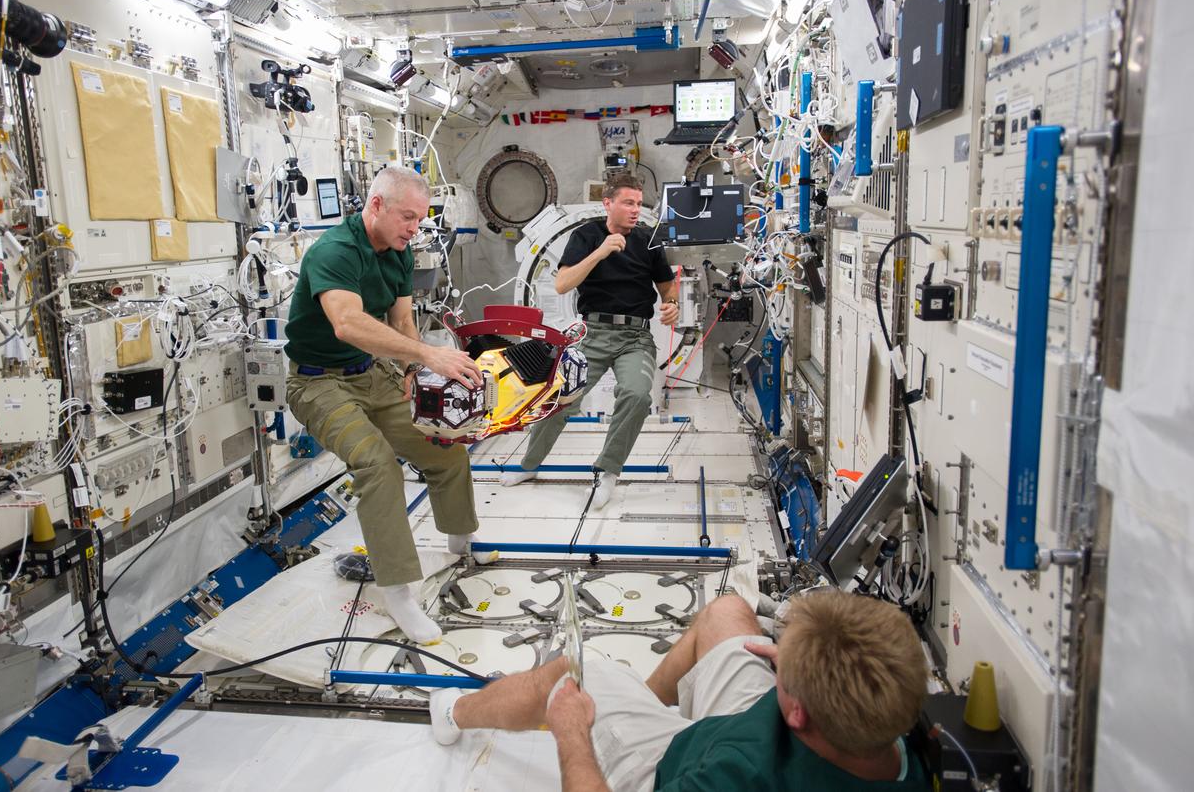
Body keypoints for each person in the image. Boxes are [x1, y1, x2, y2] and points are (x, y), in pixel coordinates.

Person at [284, 165, 496, 645]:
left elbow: (402, 320)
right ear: (376, 205)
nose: (414, 229)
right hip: (319, 383)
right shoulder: (334, 251)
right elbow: (348, 323)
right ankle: (398, 589)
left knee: (444, 443)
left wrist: (409, 370)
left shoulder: (398, 253)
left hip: (373, 373)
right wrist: (427, 356)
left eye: (420, 220)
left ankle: (461, 539)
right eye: (407, 217)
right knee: (378, 464)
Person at [430, 591, 930, 792]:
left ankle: (453, 713)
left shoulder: (733, 780)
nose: (777, 656)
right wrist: (797, 665)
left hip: (696, 756)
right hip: (757, 725)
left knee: (570, 676)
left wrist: (571, 732)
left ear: (797, 711)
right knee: (727, 612)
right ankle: (640, 708)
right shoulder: (892, 736)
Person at [500, 172, 678, 508]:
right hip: (592, 333)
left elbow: (667, 285)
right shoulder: (586, 235)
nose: (635, 210)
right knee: (560, 396)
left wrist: (672, 304)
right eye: (628, 202)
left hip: (635, 337)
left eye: (639, 203)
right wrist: (601, 252)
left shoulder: (649, 239)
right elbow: (563, 284)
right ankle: (529, 465)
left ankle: (607, 473)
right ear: (608, 203)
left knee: (638, 396)